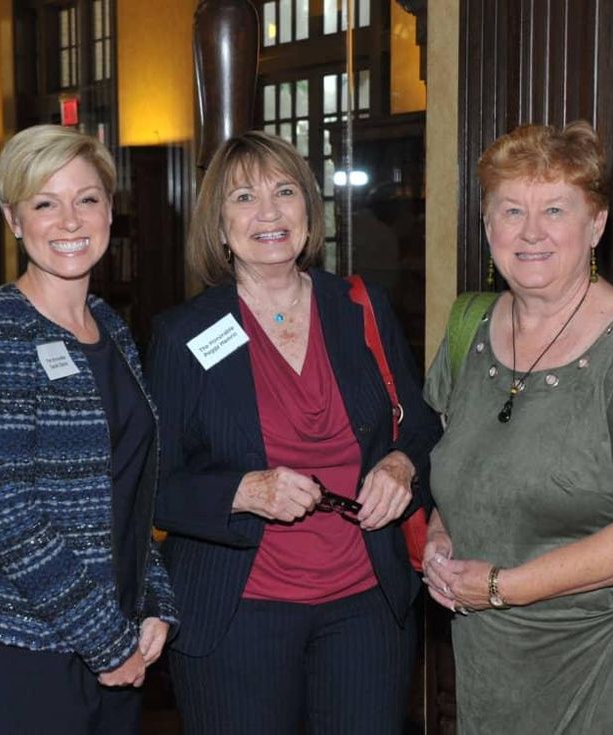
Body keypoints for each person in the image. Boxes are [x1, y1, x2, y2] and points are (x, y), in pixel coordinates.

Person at [422, 121, 613, 733]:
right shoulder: (470, 331)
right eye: (511, 210)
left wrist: (506, 586)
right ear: (487, 227)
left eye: (555, 209)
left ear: (596, 226)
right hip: (498, 658)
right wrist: (440, 537)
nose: (531, 232)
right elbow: (464, 465)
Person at [147, 130, 441, 734]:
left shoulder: (360, 307)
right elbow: (152, 483)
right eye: (244, 198)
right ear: (219, 224)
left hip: (365, 606)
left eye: (284, 192)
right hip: (239, 614)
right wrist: (241, 492)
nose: (269, 212)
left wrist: (400, 467)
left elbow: (422, 429)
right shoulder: (184, 334)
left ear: (309, 211)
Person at [0, 124, 178, 734]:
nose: (69, 221)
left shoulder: (111, 328)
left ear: (109, 212)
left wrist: (153, 604)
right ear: (13, 219)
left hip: (114, 639)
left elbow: (128, 493)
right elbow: (7, 514)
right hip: (17, 645)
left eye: (86, 199)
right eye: (45, 203)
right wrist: (105, 639)